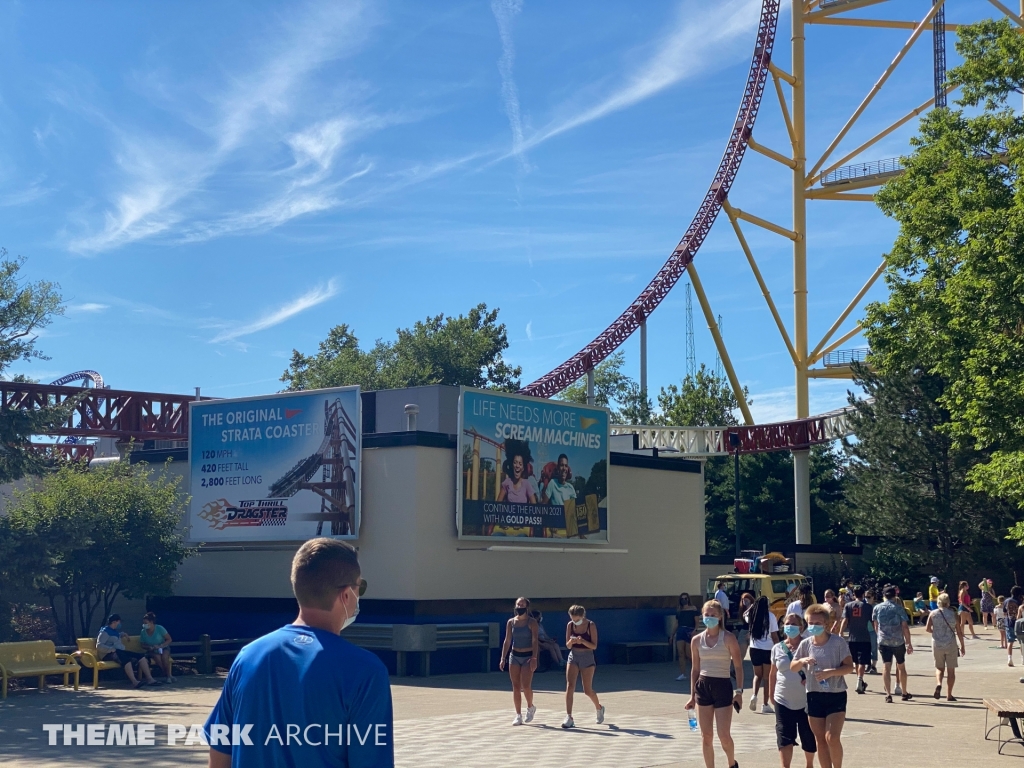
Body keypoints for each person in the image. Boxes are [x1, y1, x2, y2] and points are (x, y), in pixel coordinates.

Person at [204, 538, 393, 768]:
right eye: (360, 587)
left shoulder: (247, 657)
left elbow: (219, 758)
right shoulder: (365, 671)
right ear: (346, 595)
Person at [790, 604, 853, 768]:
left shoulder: (838, 642)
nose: (813, 626)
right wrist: (802, 661)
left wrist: (831, 672)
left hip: (836, 694)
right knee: (820, 740)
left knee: (831, 737)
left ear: (826, 624)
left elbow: (849, 667)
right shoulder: (805, 644)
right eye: (811, 623)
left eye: (817, 623)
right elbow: (793, 667)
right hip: (814, 695)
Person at [685, 600, 744, 768]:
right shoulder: (696, 640)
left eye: (713, 615)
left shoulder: (729, 638)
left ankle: (731, 763)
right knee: (706, 736)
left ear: (720, 617)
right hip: (703, 686)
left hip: (722, 686)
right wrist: (692, 697)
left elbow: (738, 666)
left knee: (723, 735)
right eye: (707, 615)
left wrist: (739, 692)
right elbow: (695, 669)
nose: (709, 618)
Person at [770, 613, 816, 768]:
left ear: (801, 628)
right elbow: (772, 673)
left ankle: (809, 764)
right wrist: (771, 695)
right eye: (787, 623)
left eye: (794, 624)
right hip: (782, 699)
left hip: (806, 700)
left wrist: (809, 678)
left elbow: (818, 669)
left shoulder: (809, 646)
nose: (789, 627)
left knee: (808, 735)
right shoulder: (777, 648)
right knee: (784, 736)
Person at [562, 605, 605, 728]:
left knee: (587, 690)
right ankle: (569, 716)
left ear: (582, 616)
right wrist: (571, 642)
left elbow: (594, 646)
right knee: (570, 686)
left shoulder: (590, 625)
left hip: (587, 657)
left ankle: (599, 708)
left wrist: (583, 641)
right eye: (573, 619)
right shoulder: (570, 625)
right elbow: (568, 645)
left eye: (577, 619)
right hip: (573, 656)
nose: (575, 621)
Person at [499, 597, 539, 725]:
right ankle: (518, 715)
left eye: (522, 605)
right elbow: (507, 640)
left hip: (528, 656)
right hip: (514, 655)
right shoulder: (511, 622)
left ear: (527, 607)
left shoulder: (532, 622)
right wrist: (503, 658)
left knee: (526, 686)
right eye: (518, 604)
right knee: (516, 686)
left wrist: (534, 658)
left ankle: (530, 706)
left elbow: (535, 640)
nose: (519, 607)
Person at [872, 585, 914, 703]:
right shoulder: (899, 608)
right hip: (898, 641)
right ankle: (904, 692)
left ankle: (888, 694)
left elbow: (876, 625)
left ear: (884, 595)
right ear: (895, 595)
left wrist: (879, 636)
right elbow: (905, 627)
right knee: (901, 666)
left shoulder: (877, 608)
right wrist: (909, 643)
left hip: (883, 641)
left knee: (886, 666)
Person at [96, 614, 158, 689]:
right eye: (119, 622)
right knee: (126, 660)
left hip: (119, 651)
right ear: (114, 622)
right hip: (108, 654)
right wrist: (111, 649)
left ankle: (150, 679)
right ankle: (134, 682)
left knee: (141, 657)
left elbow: (114, 638)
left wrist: (123, 634)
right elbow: (99, 646)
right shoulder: (104, 632)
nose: (120, 624)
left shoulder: (114, 631)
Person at [925, 592, 965, 702]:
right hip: (951, 644)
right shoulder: (953, 614)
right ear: (948, 602)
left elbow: (927, 629)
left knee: (939, 668)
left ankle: (939, 683)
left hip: (937, 644)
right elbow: (959, 631)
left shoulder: (933, 613)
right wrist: (962, 645)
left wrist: (936, 632)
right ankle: (949, 694)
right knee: (951, 671)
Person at [745, 596, 779, 713]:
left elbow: (744, 614)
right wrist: (779, 649)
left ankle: (754, 695)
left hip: (754, 649)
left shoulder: (751, 615)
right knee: (766, 678)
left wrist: (751, 607)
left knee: (757, 675)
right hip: (768, 649)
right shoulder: (771, 616)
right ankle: (765, 704)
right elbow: (774, 636)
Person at [838, 586, 871, 695]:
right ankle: (860, 680)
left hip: (852, 637)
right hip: (864, 637)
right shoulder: (868, 607)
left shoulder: (848, 606)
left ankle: (859, 680)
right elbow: (873, 622)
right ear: (863, 594)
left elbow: (845, 620)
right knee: (862, 661)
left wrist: (841, 632)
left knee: (856, 661)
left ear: (853, 594)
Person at [139, 612, 174, 682]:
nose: (144, 625)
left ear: (151, 622)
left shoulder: (160, 628)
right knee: (157, 658)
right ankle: (167, 674)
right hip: (152, 650)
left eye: (146, 623)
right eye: (144, 623)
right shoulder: (143, 631)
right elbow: (142, 644)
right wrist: (149, 647)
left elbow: (169, 639)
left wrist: (161, 646)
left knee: (164, 657)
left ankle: (168, 676)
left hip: (163, 647)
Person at [674, 593, 700, 681]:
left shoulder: (693, 609)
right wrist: (672, 634)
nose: (684, 600)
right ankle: (682, 673)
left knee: (689, 654)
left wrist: (695, 630)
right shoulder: (679, 610)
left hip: (690, 630)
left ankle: (696, 671)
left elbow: (697, 622)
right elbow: (676, 623)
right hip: (680, 630)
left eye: (685, 598)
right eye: (682, 599)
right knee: (681, 653)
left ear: (688, 599)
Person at [1004, 586, 1022, 667]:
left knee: (1010, 642)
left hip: (1009, 623)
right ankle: (1023, 658)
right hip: (1019, 624)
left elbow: (1004, 612)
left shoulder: (1006, 601)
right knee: (1021, 642)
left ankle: (1009, 658)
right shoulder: (1019, 601)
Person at [864, 590, 879, 674]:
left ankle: (873, 666)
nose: (867, 599)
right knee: (866, 648)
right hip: (864, 630)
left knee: (874, 648)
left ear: (873, 597)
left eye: (869, 597)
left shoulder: (876, 607)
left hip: (873, 630)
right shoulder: (863, 605)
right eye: (865, 597)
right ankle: (868, 664)